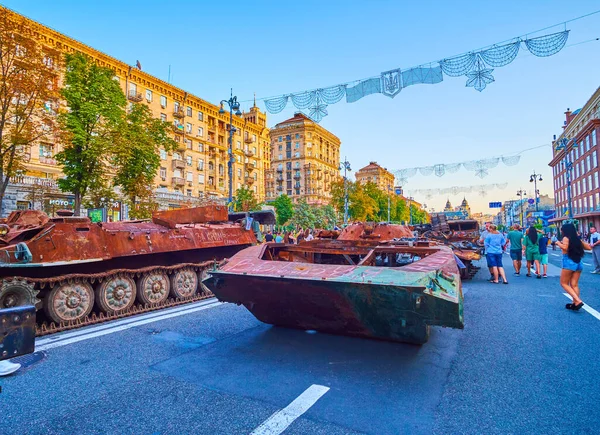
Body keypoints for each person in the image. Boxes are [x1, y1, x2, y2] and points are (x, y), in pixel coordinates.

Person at [556, 223, 592, 310]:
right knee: (574, 284)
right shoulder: (576, 239)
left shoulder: (565, 238)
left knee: (564, 283)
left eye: (562, 230)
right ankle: (574, 304)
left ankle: (578, 301)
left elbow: (565, 248)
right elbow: (589, 247)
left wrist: (558, 243)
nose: (561, 231)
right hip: (578, 262)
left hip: (569, 262)